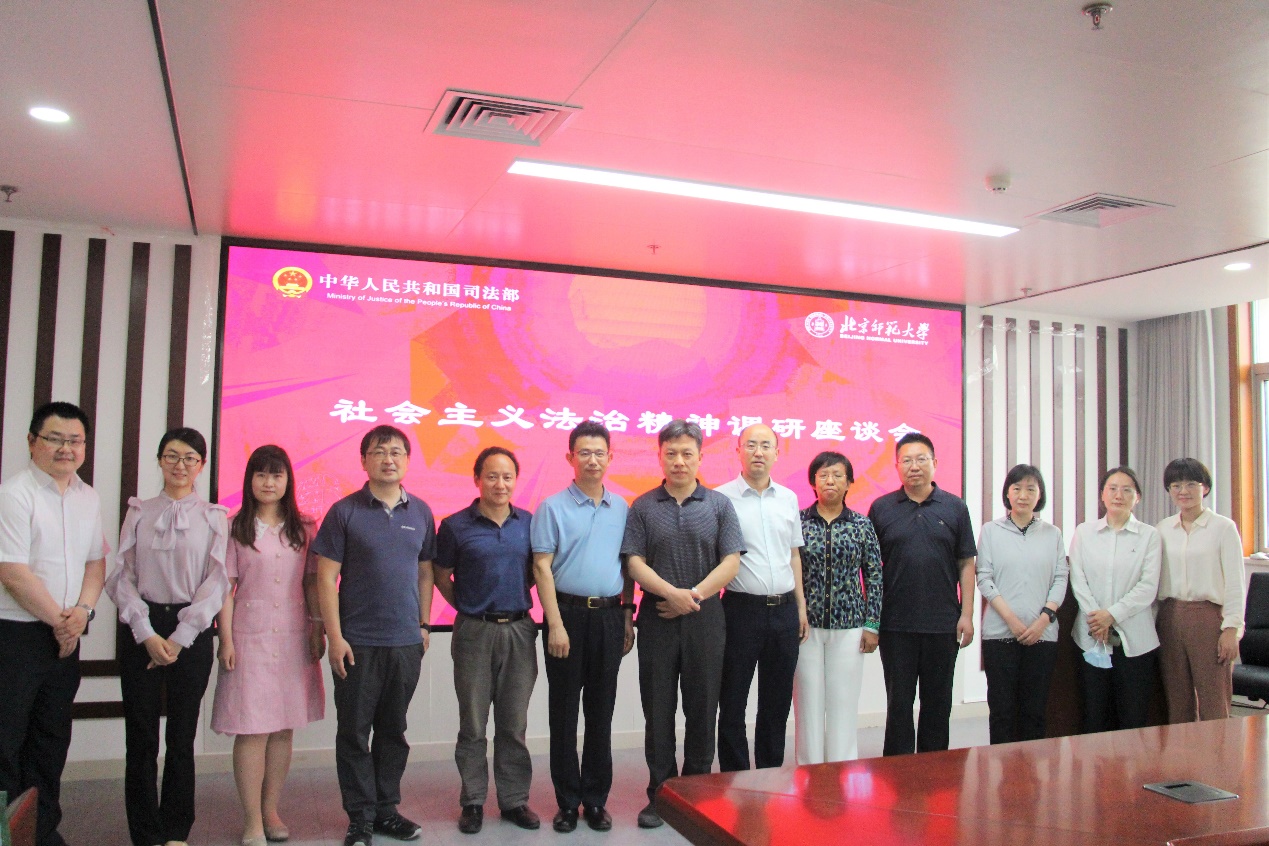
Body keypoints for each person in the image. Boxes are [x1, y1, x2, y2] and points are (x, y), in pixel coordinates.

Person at [105, 427, 230, 846]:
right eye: (172, 456)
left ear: (201, 465)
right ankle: (144, 833)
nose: (180, 465)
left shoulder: (214, 516)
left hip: (190, 633)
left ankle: (176, 830)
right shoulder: (139, 511)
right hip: (141, 627)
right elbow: (121, 576)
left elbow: (217, 582)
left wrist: (180, 636)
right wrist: (145, 632)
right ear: (159, 460)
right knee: (140, 737)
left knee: (181, 736)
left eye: (190, 458)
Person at [313, 425, 436, 846]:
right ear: (364, 460)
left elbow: (425, 571)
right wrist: (335, 636)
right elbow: (325, 578)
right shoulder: (344, 512)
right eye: (379, 452)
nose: (389, 459)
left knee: (393, 732)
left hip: (405, 643)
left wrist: (423, 624)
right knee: (353, 733)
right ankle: (360, 818)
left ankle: (386, 811)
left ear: (407, 460)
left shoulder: (420, 512)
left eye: (397, 452)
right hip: (357, 643)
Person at [622, 419, 743, 829]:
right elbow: (633, 561)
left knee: (702, 706)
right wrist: (670, 594)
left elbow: (731, 561)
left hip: (705, 616)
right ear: (660, 456)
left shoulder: (719, 505)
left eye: (687, 453)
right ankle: (661, 794)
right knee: (657, 709)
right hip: (657, 616)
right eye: (670, 453)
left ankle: (696, 792)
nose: (679, 461)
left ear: (700, 457)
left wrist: (691, 597)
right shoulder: (643, 506)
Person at [0, 401, 108, 846]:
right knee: (6, 741)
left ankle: (41, 831)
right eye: (55, 439)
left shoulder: (88, 497)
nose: (66, 448)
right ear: (32, 442)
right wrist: (61, 623)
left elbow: (96, 563)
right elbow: (12, 572)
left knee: (51, 738)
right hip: (17, 634)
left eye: (75, 440)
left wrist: (82, 613)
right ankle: (6, 836)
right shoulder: (13, 494)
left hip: (66, 634)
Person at [211, 445, 326, 846]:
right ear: (250, 480)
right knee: (251, 730)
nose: (268, 482)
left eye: (276, 475)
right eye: (261, 475)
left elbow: (311, 582)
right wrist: (225, 639)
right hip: (249, 638)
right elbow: (225, 589)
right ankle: (252, 820)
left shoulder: (304, 527)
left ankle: (271, 809)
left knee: (281, 728)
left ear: (287, 480)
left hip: (294, 635)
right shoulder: (234, 527)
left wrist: (317, 629)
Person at [531, 423, 635, 833]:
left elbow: (628, 567)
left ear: (610, 457)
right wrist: (555, 624)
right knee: (563, 713)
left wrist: (626, 616)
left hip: (609, 616)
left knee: (601, 710)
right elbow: (542, 567)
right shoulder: (552, 507)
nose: (593, 460)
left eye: (599, 453)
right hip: (566, 616)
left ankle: (594, 800)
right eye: (584, 453)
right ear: (570, 458)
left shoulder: (622, 508)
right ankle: (566, 802)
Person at [434, 447, 540, 835]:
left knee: (514, 724)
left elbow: (536, 572)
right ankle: (473, 801)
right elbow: (440, 575)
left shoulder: (529, 523)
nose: (500, 484)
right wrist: (467, 605)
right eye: (492, 476)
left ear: (516, 481)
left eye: (507, 476)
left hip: (519, 630)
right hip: (474, 632)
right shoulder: (455, 525)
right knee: (473, 723)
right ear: (477, 479)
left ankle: (514, 800)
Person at [867, 432, 976, 756]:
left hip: (942, 624)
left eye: (921, 459)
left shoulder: (955, 507)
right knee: (899, 705)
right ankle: (897, 772)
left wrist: (967, 614)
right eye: (907, 460)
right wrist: (871, 620)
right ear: (897, 466)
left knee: (938, 704)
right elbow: (870, 569)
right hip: (895, 624)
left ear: (934, 463)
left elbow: (966, 563)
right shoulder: (881, 508)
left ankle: (935, 770)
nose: (914, 466)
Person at [715, 424, 807, 772]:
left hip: (784, 610)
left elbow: (793, 554)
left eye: (766, 445)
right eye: (751, 445)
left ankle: (770, 774)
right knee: (733, 698)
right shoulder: (720, 499)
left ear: (777, 453)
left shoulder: (788, 498)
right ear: (738, 451)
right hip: (741, 610)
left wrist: (801, 606)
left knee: (777, 700)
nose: (758, 452)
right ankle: (735, 776)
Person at [794, 451, 882, 764]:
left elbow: (874, 575)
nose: (830, 481)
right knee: (807, 703)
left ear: (849, 483)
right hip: (806, 627)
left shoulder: (861, 525)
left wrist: (872, 625)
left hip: (850, 626)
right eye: (823, 475)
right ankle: (809, 768)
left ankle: (842, 768)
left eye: (837, 475)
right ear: (813, 482)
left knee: (843, 702)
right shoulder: (798, 522)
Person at [975, 465, 1068, 744]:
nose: (1023, 495)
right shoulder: (991, 531)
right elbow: (984, 578)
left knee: (1035, 711)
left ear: (1040, 495)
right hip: (999, 634)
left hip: (1043, 634)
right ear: (1007, 493)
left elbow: (1061, 578)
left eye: (1030, 489)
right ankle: (1002, 768)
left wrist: (1044, 619)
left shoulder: (1052, 534)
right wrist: (1012, 621)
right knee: (1001, 711)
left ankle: (1031, 769)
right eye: (1017, 488)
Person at [1068, 466, 1162, 733]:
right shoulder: (1085, 532)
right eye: (1112, 489)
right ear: (1102, 494)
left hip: (1135, 640)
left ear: (1137, 497)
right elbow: (1078, 579)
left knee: (1133, 720)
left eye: (1127, 490)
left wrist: (1111, 615)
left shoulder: (1149, 536)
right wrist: (1097, 619)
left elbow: (1147, 587)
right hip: (1090, 636)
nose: (1119, 495)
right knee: (1094, 717)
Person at [1155, 458, 1245, 723]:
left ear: (1204, 488)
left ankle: (1218, 750)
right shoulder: (1162, 529)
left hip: (1208, 618)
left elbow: (1235, 583)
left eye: (1191, 484)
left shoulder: (1223, 528)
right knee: (1177, 697)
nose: (1183, 491)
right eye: (1176, 485)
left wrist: (1231, 629)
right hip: (1170, 616)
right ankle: (1182, 750)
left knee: (1213, 697)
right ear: (1169, 490)